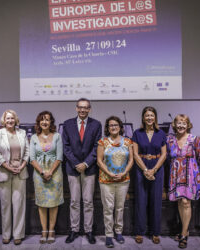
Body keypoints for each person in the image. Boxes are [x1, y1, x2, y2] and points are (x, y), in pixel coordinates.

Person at [62, 98, 102, 244]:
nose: (83, 110)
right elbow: (65, 147)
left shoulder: (96, 124)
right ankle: (74, 230)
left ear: (89, 109)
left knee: (88, 201)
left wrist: (86, 163)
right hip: (72, 169)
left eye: (86, 108)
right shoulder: (67, 124)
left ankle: (88, 230)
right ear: (76, 108)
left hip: (89, 168)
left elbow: (97, 146)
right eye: (80, 107)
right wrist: (76, 163)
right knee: (74, 201)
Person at [0, 109, 30, 245]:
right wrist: (9, 167)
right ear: (4, 120)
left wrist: (21, 166)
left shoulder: (22, 133)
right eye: (7, 118)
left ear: (16, 120)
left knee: (19, 204)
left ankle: (18, 234)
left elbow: (27, 152)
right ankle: (6, 234)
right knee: (5, 205)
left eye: (12, 118)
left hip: (20, 172)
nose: (10, 121)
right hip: (3, 172)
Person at [167, 114, 200, 248]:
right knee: (180, 202)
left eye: (184, 123)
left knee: (186, 202)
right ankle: (185, 229)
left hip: (190, 175)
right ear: (174, 125)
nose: (181, 125)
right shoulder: (170, 140)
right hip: (175, 174)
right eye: (179, 123)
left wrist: (196, 174)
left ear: (188, 125)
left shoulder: (194, 139)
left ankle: (184, 234)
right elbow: (167, 157)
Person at [97, 116, 134, 248]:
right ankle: (108, 235)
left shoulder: (128, 141)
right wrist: (109, 173)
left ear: (120, 127)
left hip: (123, 180)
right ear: (107, 128)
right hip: (106, 180)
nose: (113, 127)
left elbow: (131, 160)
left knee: (119, 208)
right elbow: (99, 161)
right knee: (108, 208)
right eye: (111, 125)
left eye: (116, 125)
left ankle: (118, 232)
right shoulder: (102, 142)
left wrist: (124, 173)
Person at [132, 106, 167, 244]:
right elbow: (135, 153)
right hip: (141, 168)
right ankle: (139, 232)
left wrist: (154, 170)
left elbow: (164, 154)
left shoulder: (161, 133)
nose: (149, 118)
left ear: (155, 117)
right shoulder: (137, 133)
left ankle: (155, 232)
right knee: (141, 200)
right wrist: (146, 170)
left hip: (157, 168)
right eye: (147, 115)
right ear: (143, 117)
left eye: (152, 115)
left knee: (156, 201)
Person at [30, 111, 64, 244]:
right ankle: (44, 231)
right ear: (39, 123)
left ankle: (51, 230)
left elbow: (59, 157)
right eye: (42, 120)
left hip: (55, 174)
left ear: (51, 122)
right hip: (39, 175)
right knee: (42, 203)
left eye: (47, 120)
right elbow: (32, 159)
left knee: (54, 203)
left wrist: (50, 172)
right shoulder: (33, 137)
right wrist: (43, 172)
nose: (45, 122)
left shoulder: (57, 136)